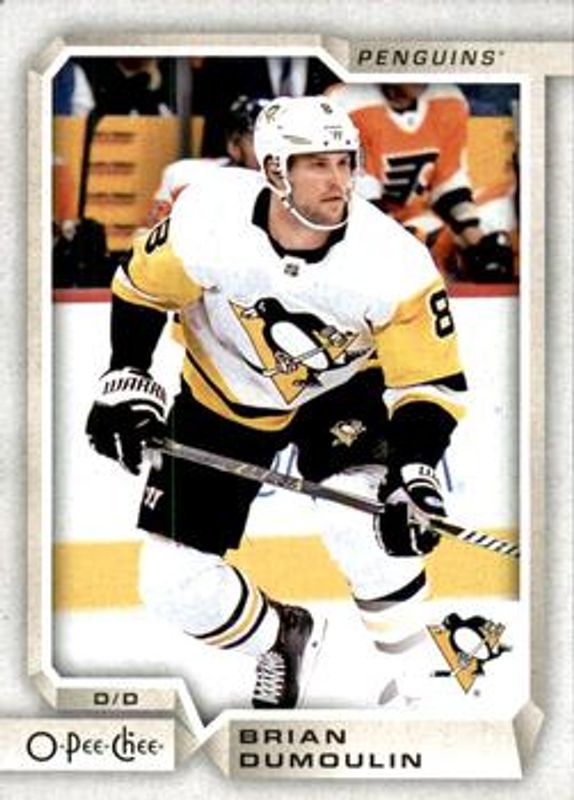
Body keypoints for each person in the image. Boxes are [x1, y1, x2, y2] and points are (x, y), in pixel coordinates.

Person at [85, 96, 467, 710]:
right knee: (173, 585)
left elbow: (431, 382)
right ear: (272, 170)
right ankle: (281, 637)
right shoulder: (207, 216)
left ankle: (423, 685)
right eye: (316, 164)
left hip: (342, 391)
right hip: (221, 393)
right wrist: (125, 375)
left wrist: (414, 474)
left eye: (345, 161)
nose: (338, 180)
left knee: (362, 525)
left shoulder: (392, 261)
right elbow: (142, 290)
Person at [326, 82, 515, 282]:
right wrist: (413, 241)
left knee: (495, 223)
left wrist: (473, 235)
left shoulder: (447, 99)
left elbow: (448, 181)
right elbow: (361, 202)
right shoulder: (349, 102)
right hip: (356, 218)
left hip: (413, 215)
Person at [145, 95, 267, 228]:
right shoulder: (184, 175)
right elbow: (152, 232)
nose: (271, 151)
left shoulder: (280, 192)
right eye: (261, 141)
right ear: (234, 143)